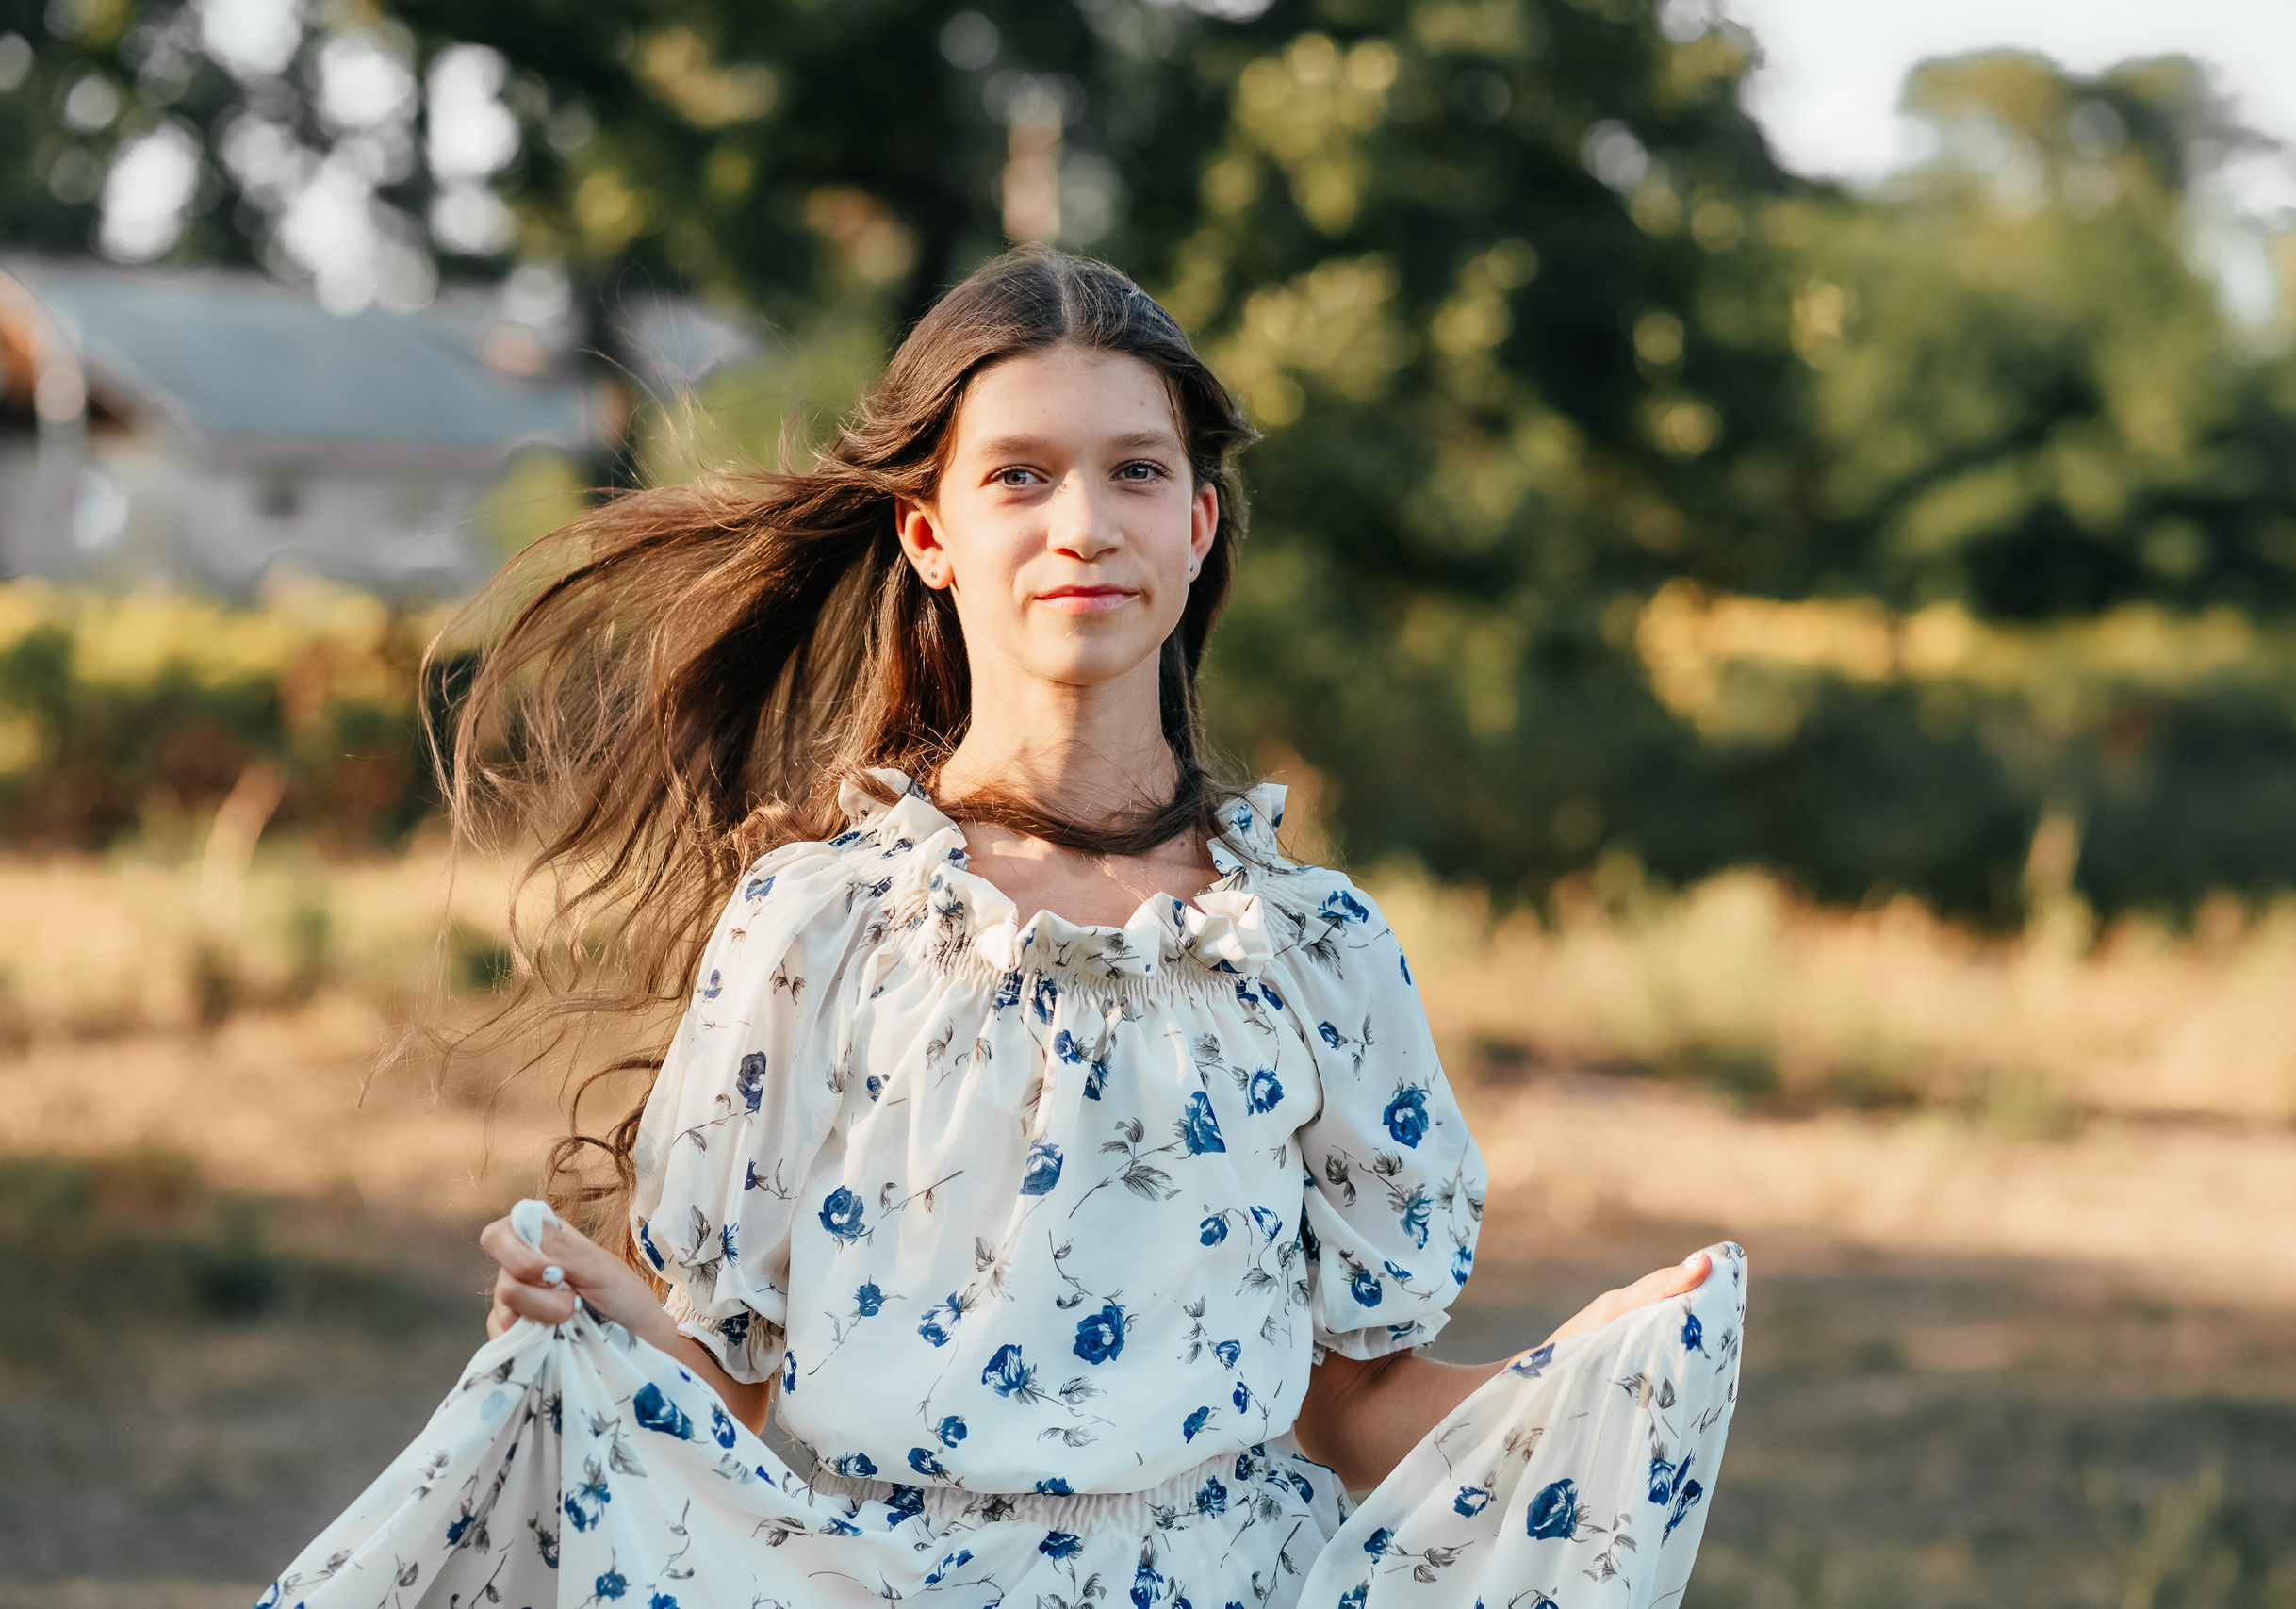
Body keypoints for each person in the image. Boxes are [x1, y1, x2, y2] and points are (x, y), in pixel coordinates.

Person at [254, 248, 1745, 1609]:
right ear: (929, 532)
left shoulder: (1315, 948)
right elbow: (753, 1397)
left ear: (1199, 521)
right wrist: (602, 1322)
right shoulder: (818, 925)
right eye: (1020, 477)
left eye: (1137, 472)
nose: (1084, 525)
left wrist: (1586, 1369)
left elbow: (1347, 1409)